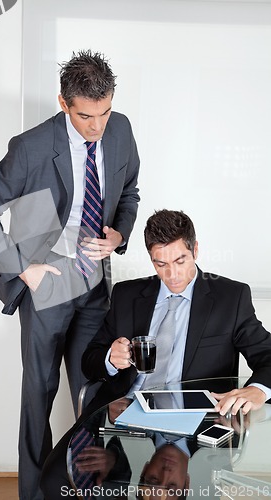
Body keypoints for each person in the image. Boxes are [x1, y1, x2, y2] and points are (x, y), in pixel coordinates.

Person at [0, 50, 140, 500]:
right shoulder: (31, 148)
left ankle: (91, 490)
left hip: (96, 282)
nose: (97, 126)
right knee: (39, 396)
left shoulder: (120, 130)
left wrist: (119, 234)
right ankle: (35, 495)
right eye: (85, 116)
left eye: (104, 113)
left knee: (95, 393)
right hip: (48, 285)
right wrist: (22, 269)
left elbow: (131, 192)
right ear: (63, 103)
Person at [40, 209, 271, 499]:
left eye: (180, 260)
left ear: (195, 250)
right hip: (122, 418)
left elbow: (267, 356)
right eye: (160, 264)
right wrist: (110, 359)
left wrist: (258, 390)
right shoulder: (127, 295)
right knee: (54, 482)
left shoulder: (230, 297)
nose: (172, 274)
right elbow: (90, 360)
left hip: (198, 424)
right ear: (151, 258)